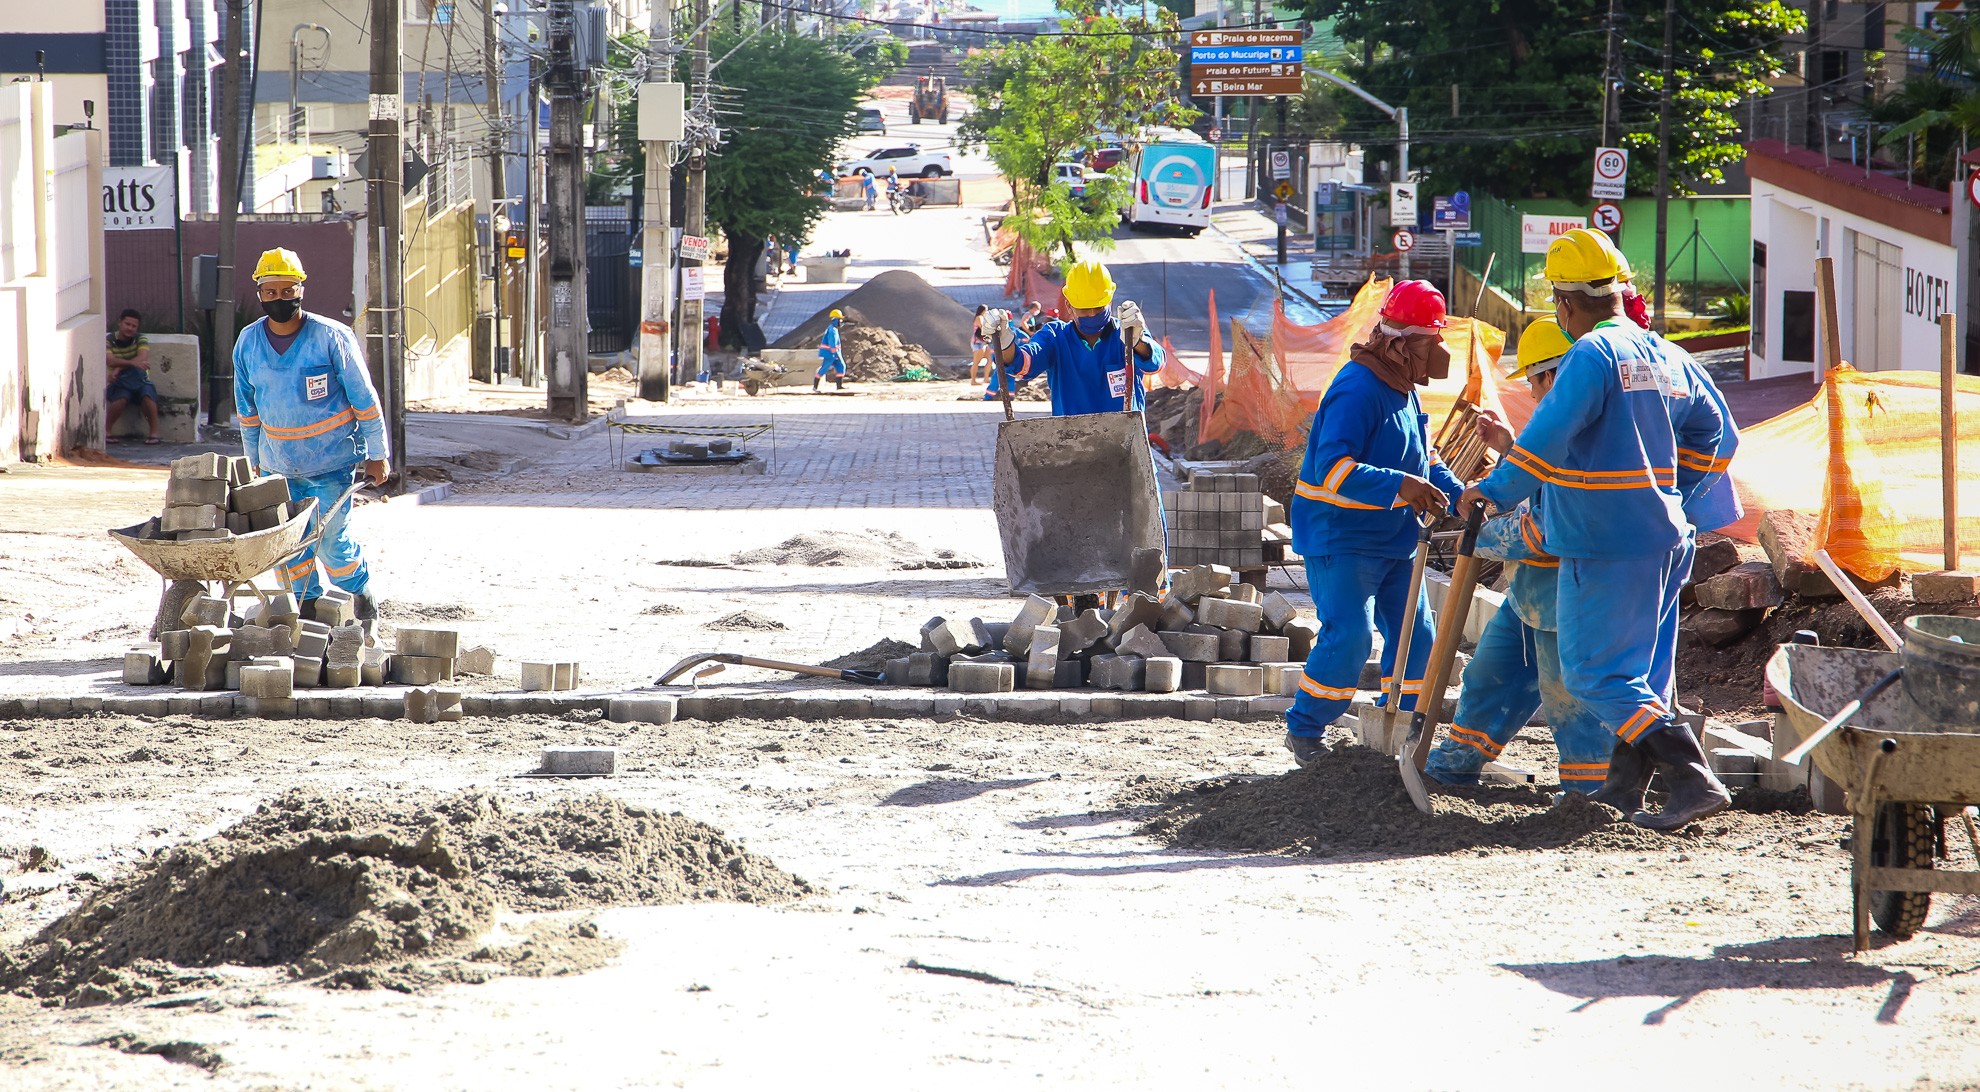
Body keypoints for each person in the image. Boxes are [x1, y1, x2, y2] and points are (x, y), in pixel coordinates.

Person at [1459, 228, 1740, 831]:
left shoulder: (1593, 354)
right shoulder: (1667, 354)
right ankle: (1623, 789)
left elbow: (1549, 435)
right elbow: (1720, 432)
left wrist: (1493, 489)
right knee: (1641, 676)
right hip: (1664, 538)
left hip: (1600, 540)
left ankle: (1693, 778)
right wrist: (1674, 493)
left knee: (1593, 673)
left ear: (1564, 302)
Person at [1280, 280, 1464, 769]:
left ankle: (1398, 729)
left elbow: (1426, 459)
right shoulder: (1357, 388)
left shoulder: (1404, 389)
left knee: (1417, 637)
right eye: (1432, 341)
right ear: (1403, 343)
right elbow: (1334, 469)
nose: (1439, 353)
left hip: (1395, 540)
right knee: (1351, 636)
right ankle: (1305, 728)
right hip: (1341, 537)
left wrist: (1463, 497)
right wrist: (1401, 486)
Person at [1421, 318, 1611, 794]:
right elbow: (1531, 489)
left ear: (1553, 376)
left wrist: (1481, 537)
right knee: (1488, 676)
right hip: (1529, 594)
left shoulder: (1583, 436)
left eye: (1533, 381)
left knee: (1567, 701)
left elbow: (1548, 526)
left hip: (1568, 598)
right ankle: (1455, 765)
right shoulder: (1557, 425)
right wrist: (1507, 449)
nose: (1530, 391)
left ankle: (1590, 794)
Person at [233, 247, 389, 634]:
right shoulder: (248, 343)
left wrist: (378, 453)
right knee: (291, 548)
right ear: (260, 294)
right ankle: (310, 619)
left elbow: (364, 399)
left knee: (332, 544)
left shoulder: (332, 337)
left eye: (287, 291)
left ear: (301, 289)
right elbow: (247, 408)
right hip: (278, 466)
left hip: (331, 464)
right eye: (271, 292)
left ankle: (361, 599)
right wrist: (253, 460)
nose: (279, 299)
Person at [985, 259, 1162, 416]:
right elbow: (1021, 366)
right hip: (1073, 445)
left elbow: (1155, 364)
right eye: (1084, 309)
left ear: (1110, 301)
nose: (1092, 314)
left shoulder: (1127, 332)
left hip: (1128, 445)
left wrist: (1138, 342)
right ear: (1069, 306)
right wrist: (1005, 343)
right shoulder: (1055, 338)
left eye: (1098, 308)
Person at [104, 308, 162, 444]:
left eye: (134, 326)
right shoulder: (110, 340)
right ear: (120, 323)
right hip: (119, 382)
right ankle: (106, 431)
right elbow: (110, 360)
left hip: (140, 380)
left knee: (148, 395)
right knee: (121, 397)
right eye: (127, 324)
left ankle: (154, 433)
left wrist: (118, 368)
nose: (130, 328)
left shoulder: (140, 339)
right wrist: (131, 363)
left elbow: (142, 359)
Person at [815, 308, 846, 392]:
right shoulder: (832, 330)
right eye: (840, 320)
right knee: (824, 369)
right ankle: (815, 387)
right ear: (836, 320)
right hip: (830, 354)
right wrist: (834, 352)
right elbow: (832, 342)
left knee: (841, 366)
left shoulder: (834, 329)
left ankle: (839, 386)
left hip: (835, 354)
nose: (841, 322)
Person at [969, 304, 991, 385]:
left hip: (983, 342)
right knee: (976, 362)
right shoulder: (979, 318)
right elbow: (983, 328)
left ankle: (986, 378)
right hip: (978, 342)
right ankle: (973, 380)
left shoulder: (982, 318)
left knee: (990, 359)